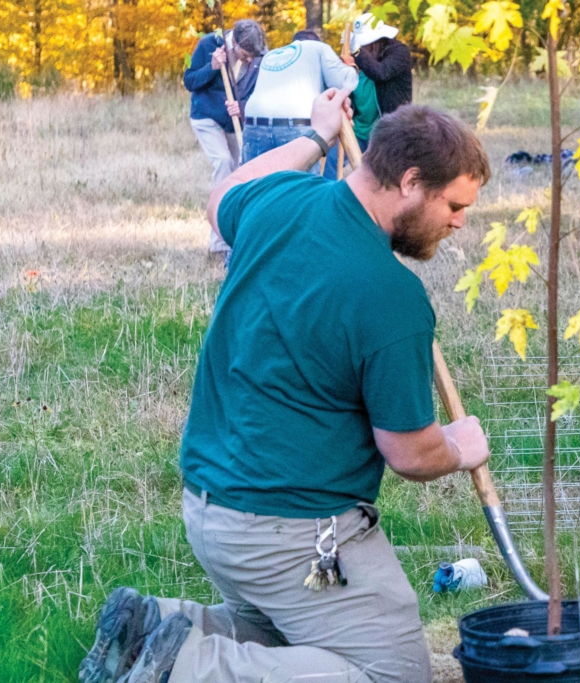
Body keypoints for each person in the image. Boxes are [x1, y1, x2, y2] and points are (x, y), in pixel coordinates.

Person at [78, 90, 493, 683]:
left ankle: (144, 628)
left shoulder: (279, 201)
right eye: (454, 204)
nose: (460, 221)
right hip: (289, 534)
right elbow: (409, 452)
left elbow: (221, 195)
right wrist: (460, 447)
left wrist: (315, 137)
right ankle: (184, 666)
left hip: (210, 509)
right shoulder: (391, 297)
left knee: (291, 634)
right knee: (391, 674)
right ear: (408, 182)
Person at [184, 20, 268, 256]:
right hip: (206, 117)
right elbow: (189, 82)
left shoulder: (260, 57)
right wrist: (211, 66)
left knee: (243, 169)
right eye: (246, 54)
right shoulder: (210, 44)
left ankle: (240, 238)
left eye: (254, 55)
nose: (250, 59)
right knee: (223, 162)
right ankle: (218, 245)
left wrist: (241, 107)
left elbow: (259, 91)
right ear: (236, 44)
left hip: (235, 123)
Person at [241, 32, 358, 164]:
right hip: (295, 123)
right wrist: (348, 67)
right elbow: (344, 83)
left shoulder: (272, 54)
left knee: (255, 181)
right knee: (299, 183)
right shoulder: (319, 48)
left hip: (253, 123)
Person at [348, 13, 413, 115]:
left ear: (377, 41)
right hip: (360, 128)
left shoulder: (399, 52)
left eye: (365, 45)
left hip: (394, 124)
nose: (363, 49)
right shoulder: (359, 58)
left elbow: (381, 73)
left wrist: (357, 52)